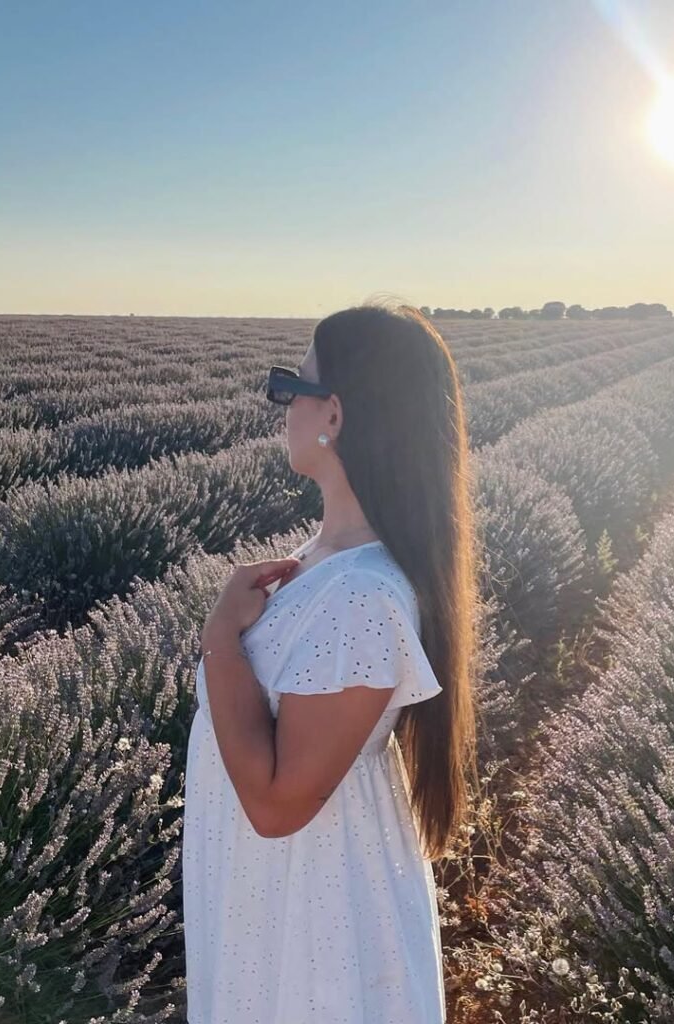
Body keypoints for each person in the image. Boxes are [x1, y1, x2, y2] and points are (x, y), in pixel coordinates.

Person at [183, 301, 481, 1023]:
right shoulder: (324, 561)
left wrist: (221, 637)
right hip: (274, 890)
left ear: (336, 415)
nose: (280, 405)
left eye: (291, 385)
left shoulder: (361, 596)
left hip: (313, 908)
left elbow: (278, 803)